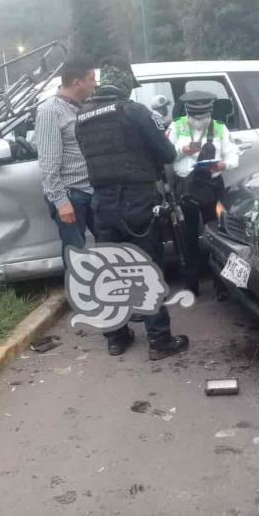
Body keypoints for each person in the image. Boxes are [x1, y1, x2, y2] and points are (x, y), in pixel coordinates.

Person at [75, 56, 189, 360]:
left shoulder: (82, 118)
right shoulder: (134, 111)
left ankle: (116, 338)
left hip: (102, 204)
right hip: (138, 202)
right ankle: (159, 341)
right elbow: (166, 153)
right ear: (125, 83)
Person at [168, 90, 240, 299]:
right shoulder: (177, 126)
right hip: (187, 188)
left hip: (212, 185)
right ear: (189, 114)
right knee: (187, 238)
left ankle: (222, 285)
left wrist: (224, 164)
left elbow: (233, 153)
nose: (200, 122)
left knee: (218, 236)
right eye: (196, 118)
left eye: (204, 117)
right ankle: (191, 284)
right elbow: (166, 153)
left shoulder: (219, 127)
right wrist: (183, 150)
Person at [36, 57, 97, 255]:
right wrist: (61, 202)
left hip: (94, 191)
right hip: (72, 195)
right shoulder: (50, 110)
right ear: (76, 82)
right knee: (76, 255)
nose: (94, 84)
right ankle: (78, 287)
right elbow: (48, 162)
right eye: (91, 79)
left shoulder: (85, 106)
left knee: (109, 249)